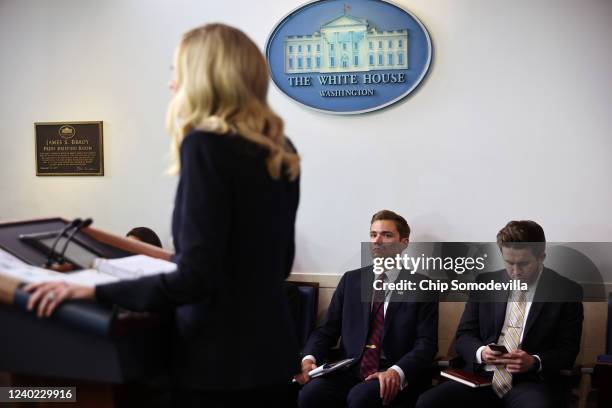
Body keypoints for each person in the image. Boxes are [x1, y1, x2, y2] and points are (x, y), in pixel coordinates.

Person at [24, 23, 301, 407]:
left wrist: (88, 288)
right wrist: (113, 244)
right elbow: (257, 264)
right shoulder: (279, 149)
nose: (171, 84)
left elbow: (197, 278)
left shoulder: (205, 145)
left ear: (204, 77)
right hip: (270, 356)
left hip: (217, 365)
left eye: (177, 71)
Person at [416, 220, 584, 408]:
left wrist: (534, 361)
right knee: (428, 402)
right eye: (509, 262)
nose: (515, 271)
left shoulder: (566, 290)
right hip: (479, 377)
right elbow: (464, 336)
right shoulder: (484, 283)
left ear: (541, 257)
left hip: (530, 382)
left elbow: (568, 349)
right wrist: (481, 352)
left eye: (523, 264)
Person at [296, 210, 438, 408]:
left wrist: (396, 371)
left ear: (403, 243)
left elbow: (427, 344)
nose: (377, 241)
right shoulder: (351, 280)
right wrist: (309, 359)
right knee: (311, 394)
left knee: (361, 398)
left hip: (389, 370)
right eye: (373, 235)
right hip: (349, 368)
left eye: (386, 235)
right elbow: (327, 329)